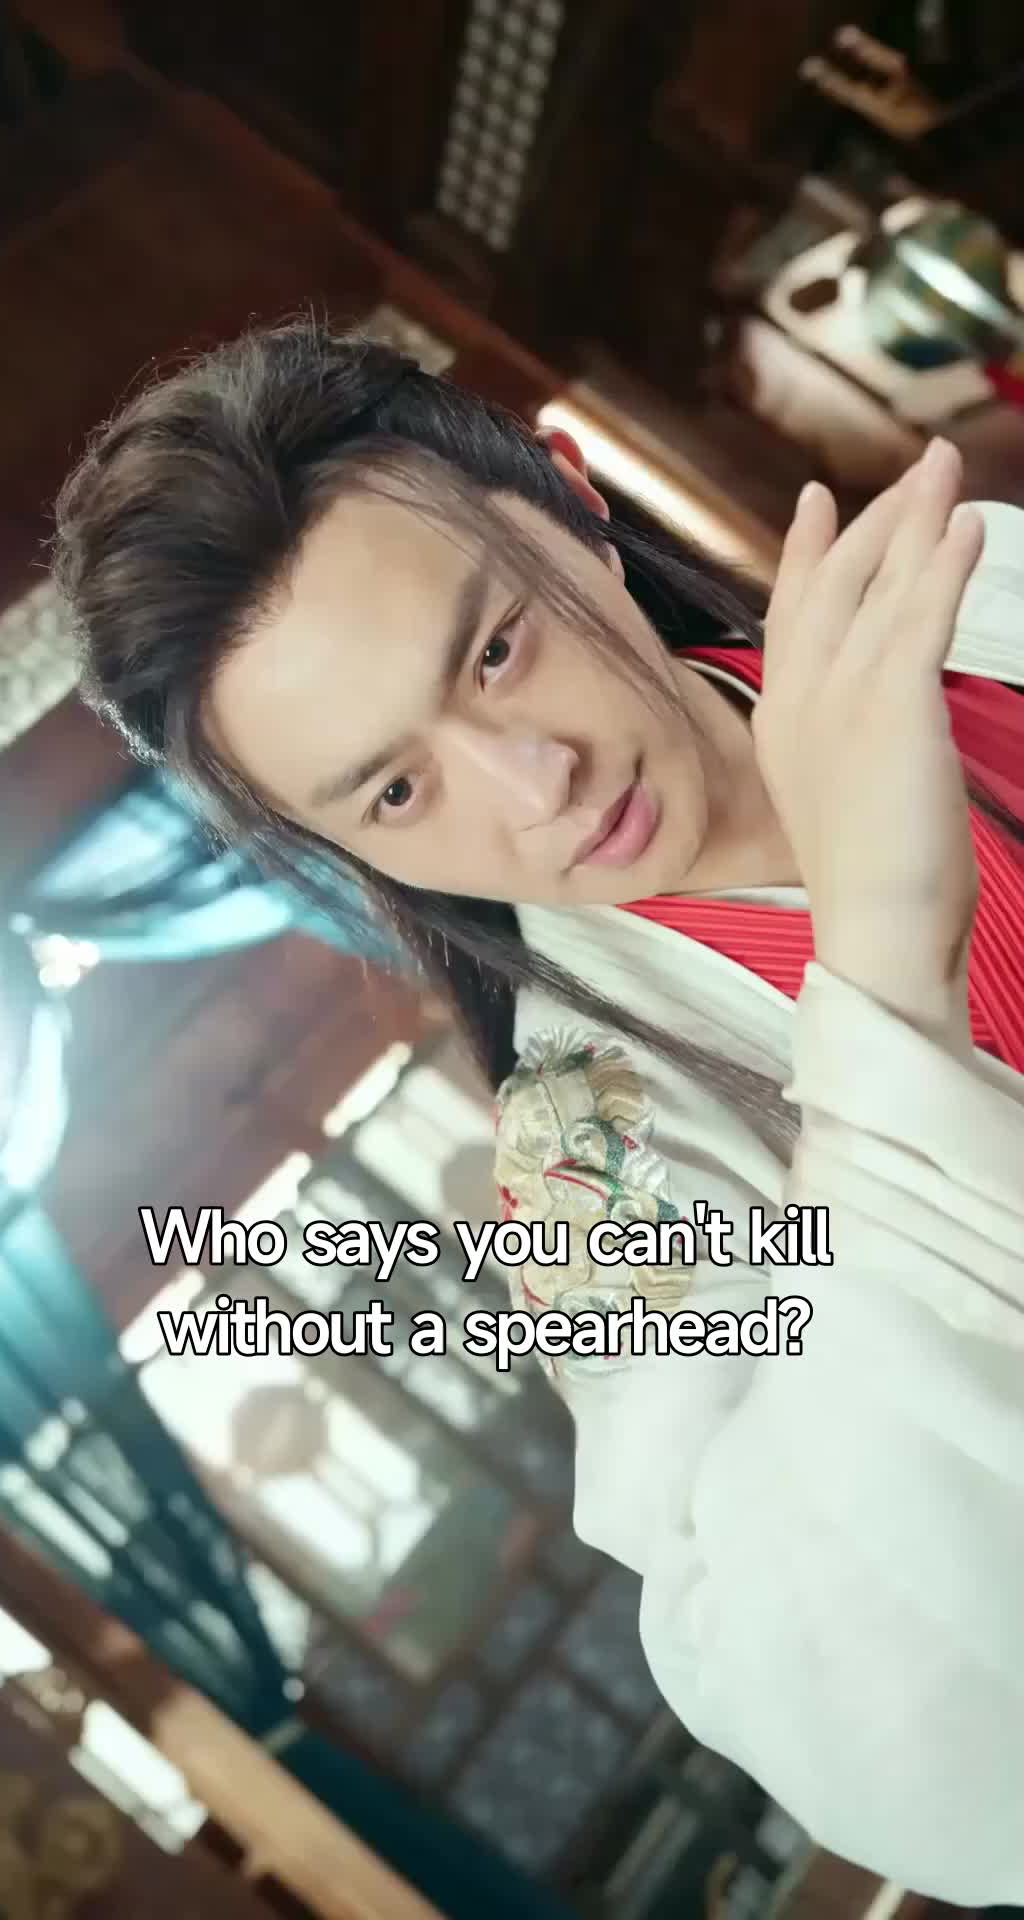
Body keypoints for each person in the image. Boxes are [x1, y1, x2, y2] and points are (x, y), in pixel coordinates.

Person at [52, 315, 1024, 1902]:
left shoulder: (969, 604)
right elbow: (888, 1729)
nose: (533, 782)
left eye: (495, 650)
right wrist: (882, 989)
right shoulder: (589, 1169)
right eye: (396, 791)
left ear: (572, 498)